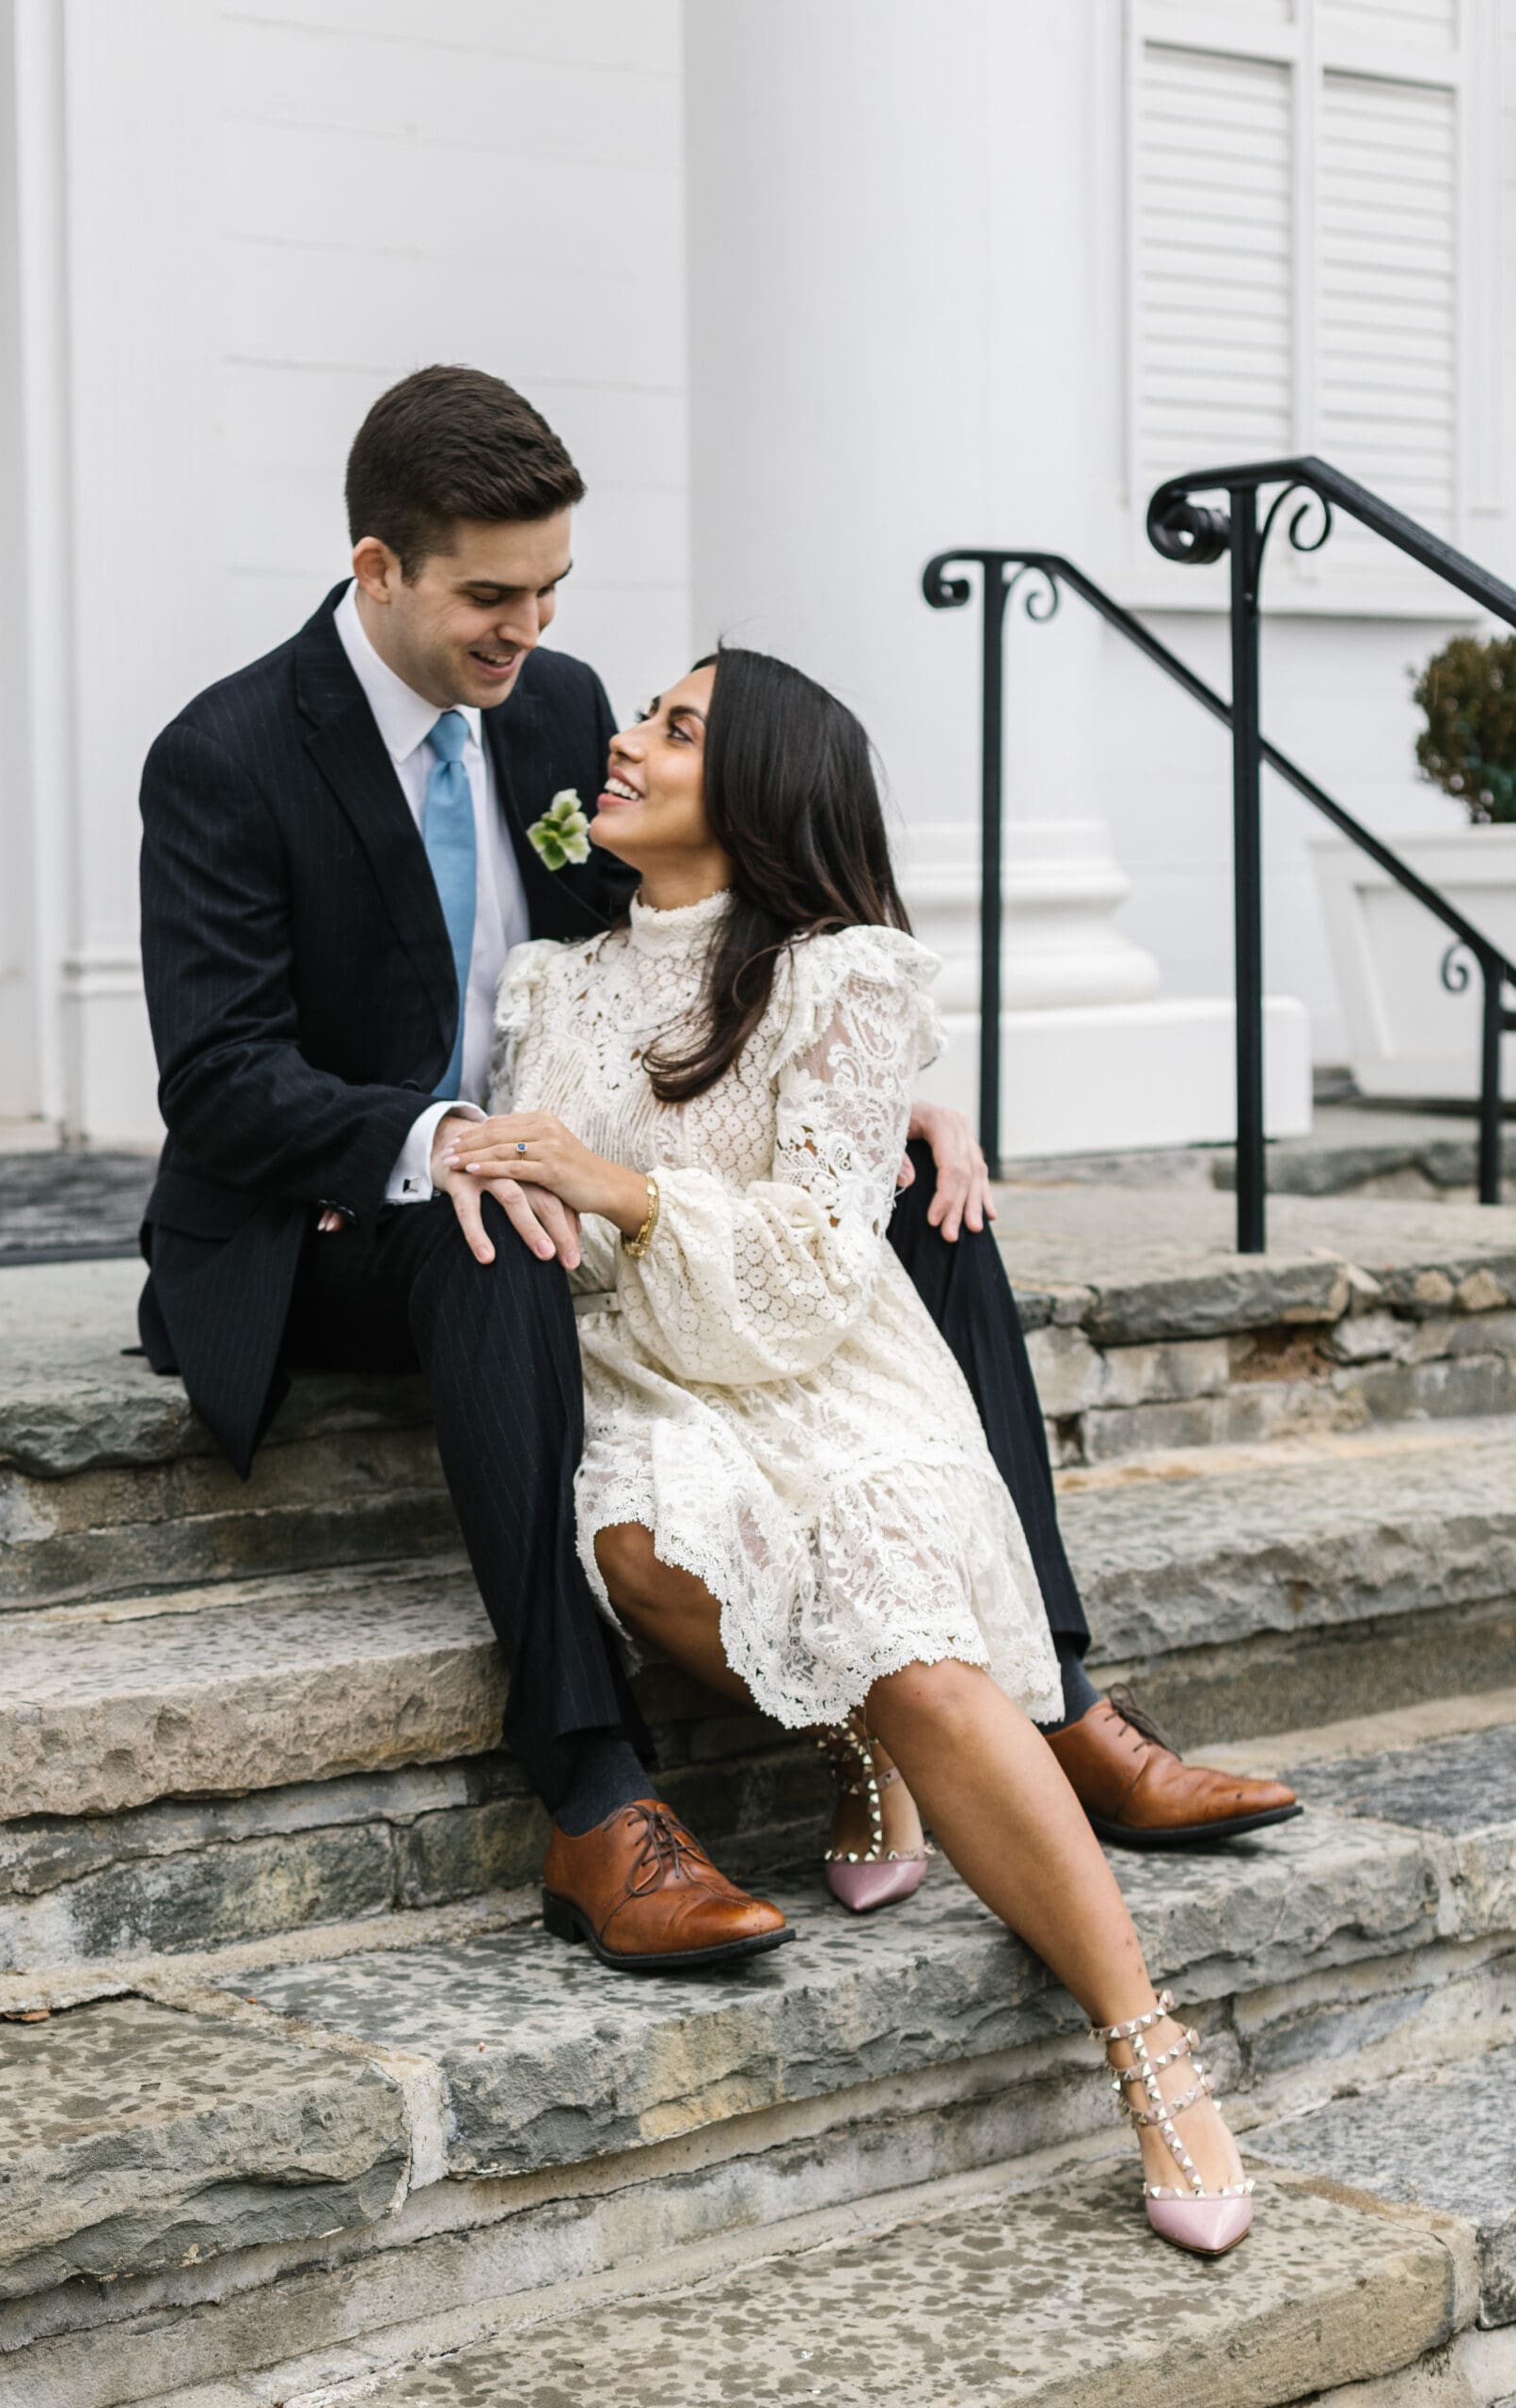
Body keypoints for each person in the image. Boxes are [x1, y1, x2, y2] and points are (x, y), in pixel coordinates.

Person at [137, 364, 1293, 1979]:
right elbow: (220, 1080)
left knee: (924, 1210)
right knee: (497, 1231)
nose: (526, 632)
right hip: (333, 1219)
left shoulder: (550, 701)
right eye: (489, 594)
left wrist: (866, 1096)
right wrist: (438, 1140)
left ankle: (1063, 1702)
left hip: (584, 1172)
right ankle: (597, 1796)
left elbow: (672, 941)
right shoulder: (227, 755)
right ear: (376, 568)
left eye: (550, 591)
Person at [450, 645, 1255, 2257]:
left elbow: (821, 1269)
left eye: (675, 731)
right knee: (642, 1559)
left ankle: (1150, 2050)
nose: (623, 741)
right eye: (646, 718)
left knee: (917, 1640)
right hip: (653, 1383)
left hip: (826, 1375)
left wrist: (623, 1191)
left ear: (753, 793)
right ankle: (852, 1743)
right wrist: (512, 1170)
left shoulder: (843, 974)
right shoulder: (551, 985)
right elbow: (561, 1237)